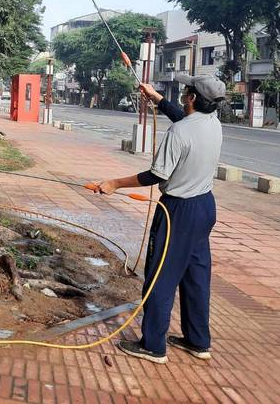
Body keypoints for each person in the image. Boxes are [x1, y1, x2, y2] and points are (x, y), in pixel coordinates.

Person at [92, 75, 225, 364]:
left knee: (160, 277)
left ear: (191, 98)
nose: (184, 93)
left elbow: (156, 176)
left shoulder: (179, 133)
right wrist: (156, 98)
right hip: (205, 208)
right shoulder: (213, 123)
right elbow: (183, 120)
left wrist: (114, 183)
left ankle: (153, 345)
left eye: (186, 90)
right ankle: (197, 341)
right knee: (196, 276)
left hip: (177, 211)